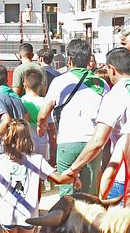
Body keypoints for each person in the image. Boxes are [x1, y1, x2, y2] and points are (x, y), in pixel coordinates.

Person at [66, 47, 130, 200]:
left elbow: (98, 141)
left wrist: (74, 168)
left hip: (126, 175)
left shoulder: (116, 95)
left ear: (111, 69)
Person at [37, 39, 108, 195]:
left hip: (67, 142)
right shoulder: (102, 84)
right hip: (93, 143)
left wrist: (40, 125)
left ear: (69, 60)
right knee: (89, 196)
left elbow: (43, 113)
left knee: (67, 194)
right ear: (89, 59)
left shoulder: (60, 82)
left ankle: (67, 219)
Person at [21, 68, 56, 163]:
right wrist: (53, 151)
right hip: (42, 144)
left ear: (24, 85)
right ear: (41, 86)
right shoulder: (45, 103)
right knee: (41, 175)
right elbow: (52, 129)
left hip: (25, 144)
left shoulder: (21, 101)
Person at [0, 64, 26, 149]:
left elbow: (6, 120)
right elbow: (27, 116)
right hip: (20, 141)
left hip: (6, 142)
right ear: (7, 79)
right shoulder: (15, 96)